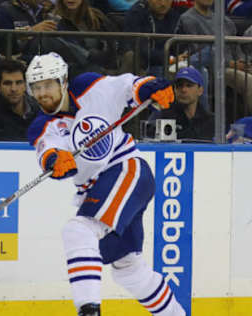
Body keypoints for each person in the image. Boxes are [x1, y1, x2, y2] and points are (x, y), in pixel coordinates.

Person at [26, 52, 185, 316]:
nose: (42, 93)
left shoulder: (89, 87)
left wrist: (149, 87)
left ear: (63, 81)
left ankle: (88, 312)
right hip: (97, 187)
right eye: (36, 87)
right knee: (128, 269)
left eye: (48, 85)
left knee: (78, 230)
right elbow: (47, 150)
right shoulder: (41, 125)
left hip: (127, 169)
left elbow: (125, 86)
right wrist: (55, 162)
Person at [0, 59, 39, 141]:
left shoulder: (39, 111)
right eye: (7, 83)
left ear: (25, 85)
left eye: (19, 83)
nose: (14, 89)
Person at [148, 67, 214, 141]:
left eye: (189, 85)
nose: (183, 90)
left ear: (200, 90)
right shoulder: (162, 115)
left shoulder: (210, 121)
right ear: (175, 89)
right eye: (179, 85)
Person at [123, 0, 182, 76]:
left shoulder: (174, 14)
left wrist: (183, 55)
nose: (163, 3)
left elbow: (180, 44)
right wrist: (169, 58)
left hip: (169, 62)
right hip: (146, 65)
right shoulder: (136, 13)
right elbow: (141, 49)